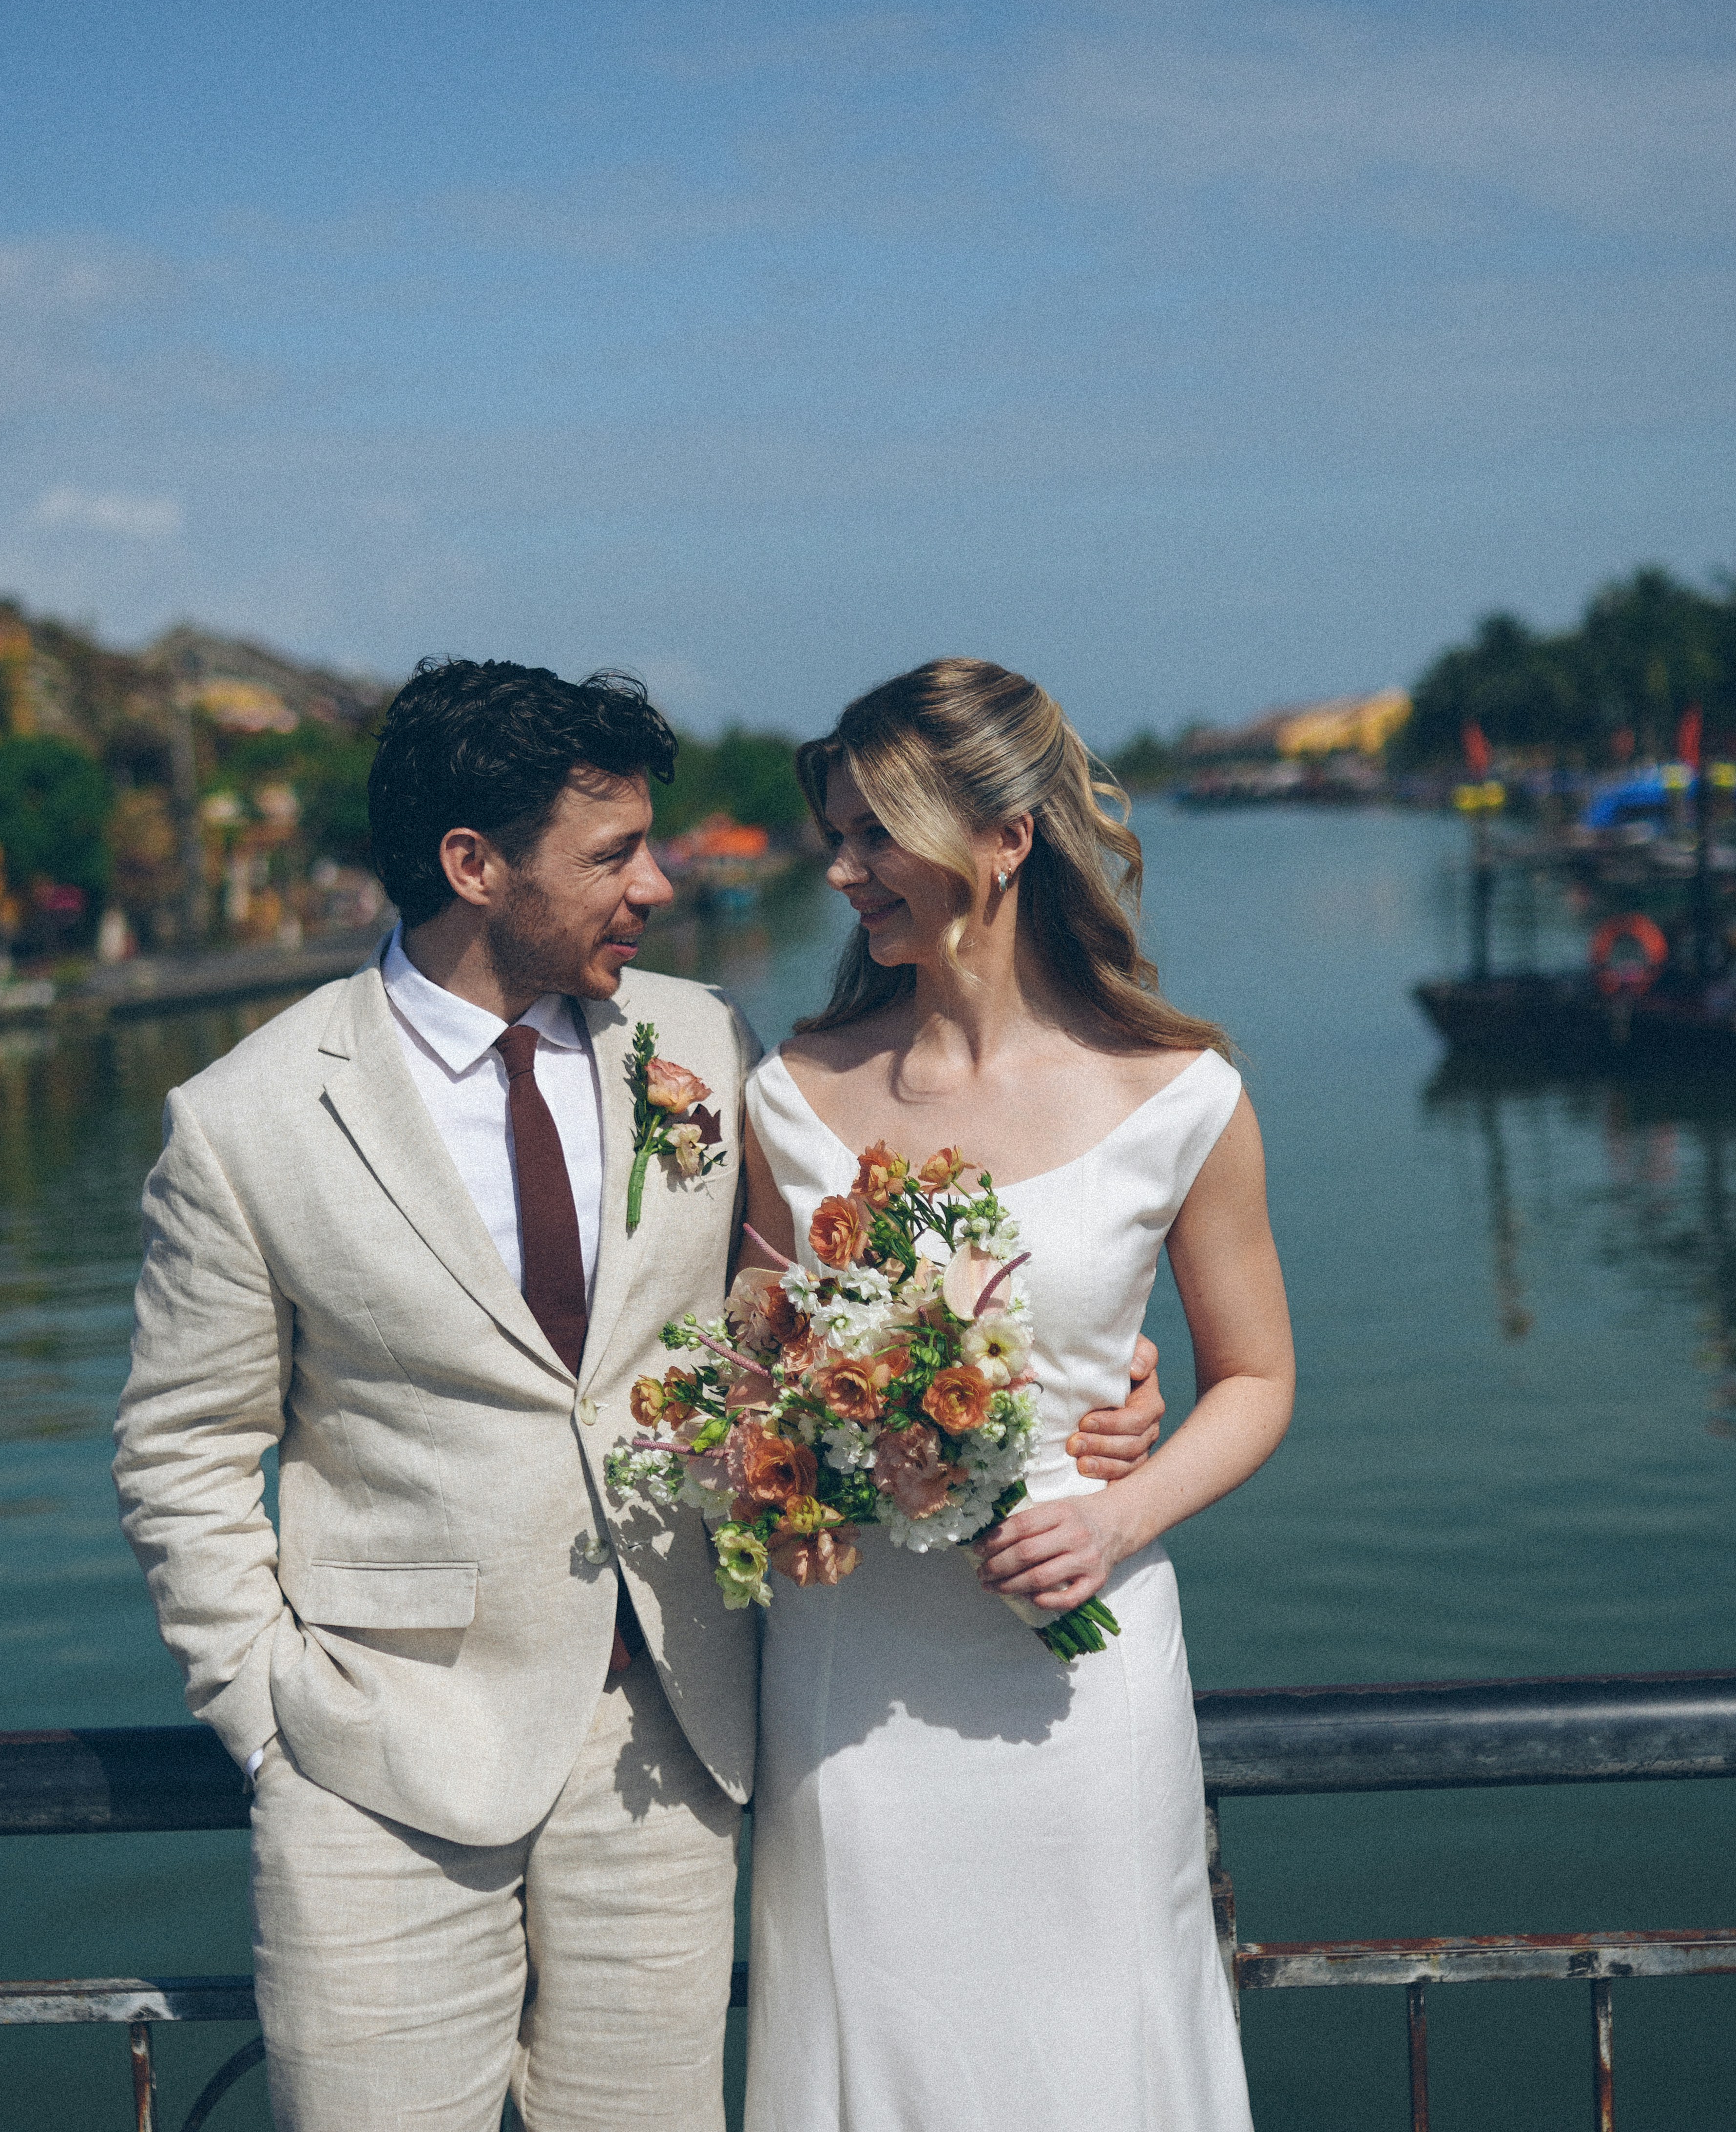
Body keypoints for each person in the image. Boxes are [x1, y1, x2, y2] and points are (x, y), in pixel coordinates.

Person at [110, 659, 1164, 2132]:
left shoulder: (700, 1044)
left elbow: (805, 1299)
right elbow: (183, 1453)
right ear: (474, 867)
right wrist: (269, 1721)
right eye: (613, 855)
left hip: (670, 1742)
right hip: (379, 1764)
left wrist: (1056, 1357)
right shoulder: (247, 1122)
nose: (658, 885)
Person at [741, 657, 1296, 2131]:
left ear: (1007, 837)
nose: (843, 866)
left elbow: (1258, 1381)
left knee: (1093, 2042)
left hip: (1074, 1665)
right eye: (837, 831)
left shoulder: (1180, 1094)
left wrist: (1120, 1519)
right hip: (850, 1663)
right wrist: (796, 1428)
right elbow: (744, 1366)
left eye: (878, 830)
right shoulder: (787, 1095)